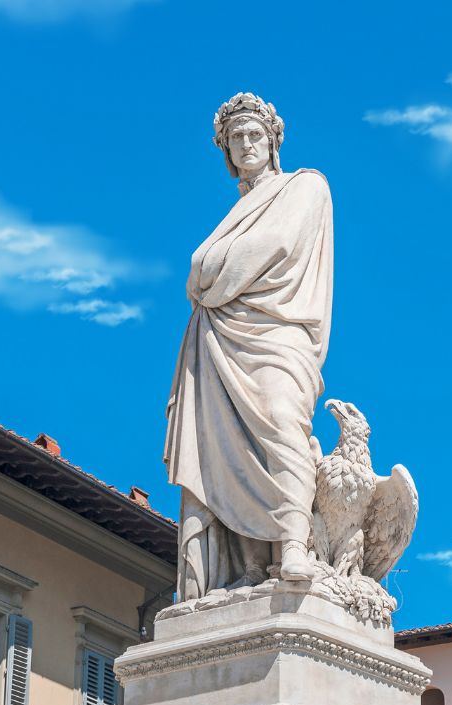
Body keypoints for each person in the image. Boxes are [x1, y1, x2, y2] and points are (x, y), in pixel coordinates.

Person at [164, 92, 334, 601]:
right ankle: (249, 565)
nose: (245, 144)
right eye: (235, 138)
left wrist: (207, 269)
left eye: (253, 134)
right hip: (220, 340)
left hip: (279, 332)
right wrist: (207, 268)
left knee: (283, 422)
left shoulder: (305, 187)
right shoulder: (235, 212)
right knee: (222, 450)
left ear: (273, 140)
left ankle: (295, 543)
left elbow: (267, 248)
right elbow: (204, 268)